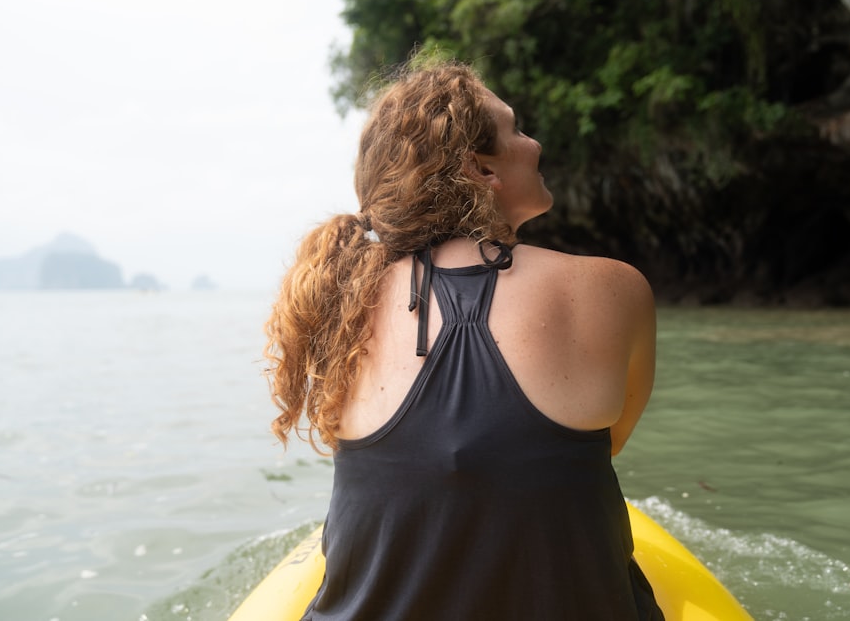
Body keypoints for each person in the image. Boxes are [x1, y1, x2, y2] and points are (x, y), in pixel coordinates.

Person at [264, 58, 661, 620]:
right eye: (517, 129)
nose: (535, 143)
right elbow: (610, 441)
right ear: (481, 170)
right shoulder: (612, 289)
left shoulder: (342, 302)